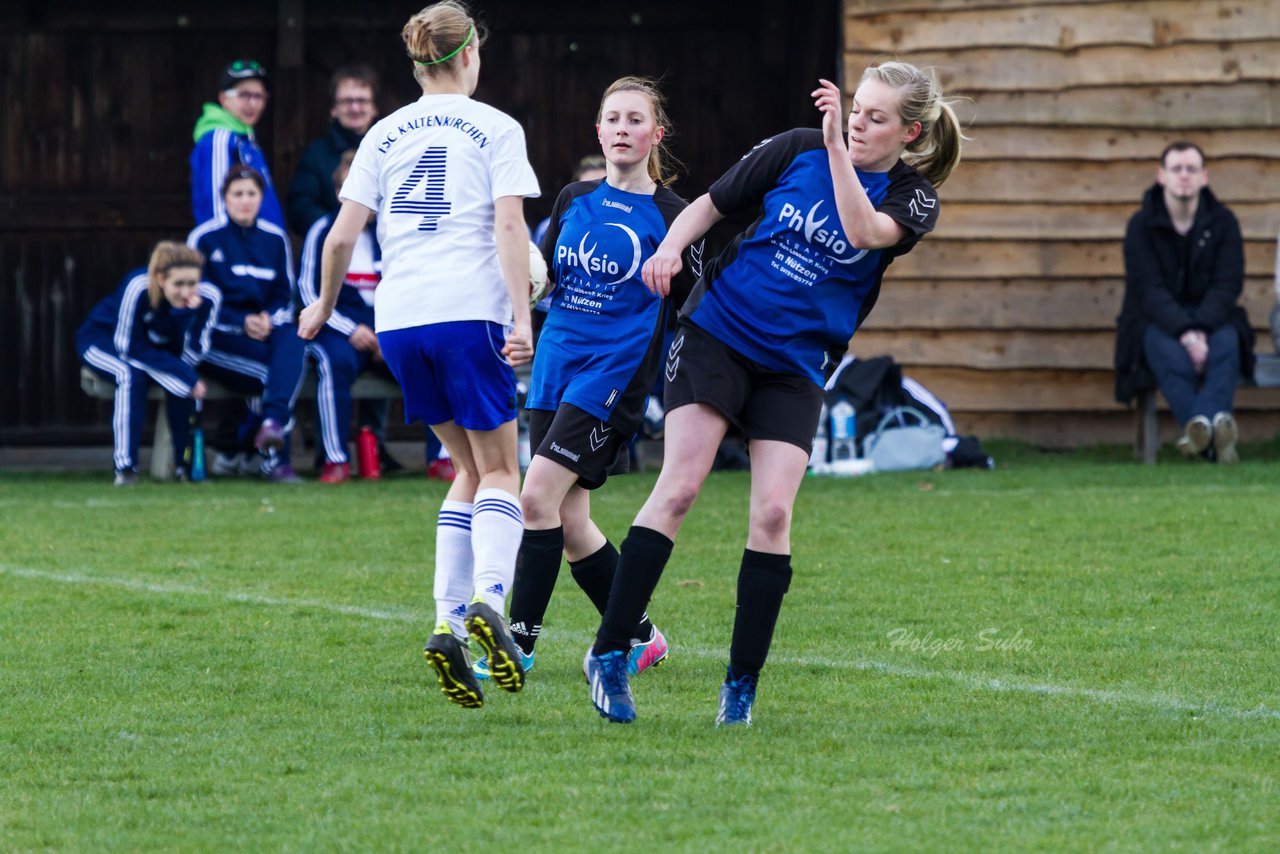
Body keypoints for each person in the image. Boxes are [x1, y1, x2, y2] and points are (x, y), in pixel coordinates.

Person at [582, 63, 962, 726]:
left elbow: (863, 232)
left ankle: (741, 687)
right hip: (718, 336)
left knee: (774, 518)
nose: (856, 122)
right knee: (678, 489)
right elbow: (710, 206)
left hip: (794, 366)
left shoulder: (914, 197)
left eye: (875, 117)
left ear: (911, 131)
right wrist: (671, 248)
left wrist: (840, 152)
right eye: (856, 109)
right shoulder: (794, 147)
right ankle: (611, 654)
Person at [298, 0, 540, 709]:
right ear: (469, 55)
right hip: (468, 311)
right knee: (501, 469)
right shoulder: (496, 127)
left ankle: (445, 624)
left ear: (417, 62)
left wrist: (321, 304)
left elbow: (342, 236)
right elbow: (507, 224)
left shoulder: (382, 131)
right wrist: (520, 318)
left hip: (400, 318)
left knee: (464, 468)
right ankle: (490, 602)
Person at [471, 77, 701, 683]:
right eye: (612, 119)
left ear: (657, 134)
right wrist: (522, 320)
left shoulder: (675, 217)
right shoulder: (574, 198)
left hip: (611, 379)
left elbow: (699, 309)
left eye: (634, 120)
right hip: (554, 367)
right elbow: (543, 278)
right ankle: (642, 636)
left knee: (534, 499)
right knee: (571, 523)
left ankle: (517, 645)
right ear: (598, 131)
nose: (622, 130)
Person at [1117, 142, 1253, 464]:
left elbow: (1227, 284)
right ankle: (1213, 436)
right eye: (1176, 169)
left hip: (1214, 321)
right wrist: (1186, 333)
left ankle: (1199, 432)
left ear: (1204, 177)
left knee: (1228, 345)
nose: (1184, 176)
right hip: (1157, 322)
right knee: (1169, 355)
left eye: (1191, 169)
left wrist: (1201, 329)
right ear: (1161, 176)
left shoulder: (1224, 223)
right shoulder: (1141, 226)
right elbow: (1148, 290)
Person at [189, 166, 306, 482]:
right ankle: (272, 461)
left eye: (251, 194)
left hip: (267, 331)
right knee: (273, 375)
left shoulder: (275, 239)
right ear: (225, 198)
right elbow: (194, 300)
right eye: (237, 194)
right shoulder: (204, 238)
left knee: (295, 339)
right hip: (218, 338)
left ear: (261, 198)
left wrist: (268, 319)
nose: (244, 201)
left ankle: (269, 427)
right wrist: (241, 322)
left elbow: (285, 295)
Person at [76, 242, 219, 485]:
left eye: (192, 284)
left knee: (183, 386)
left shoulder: (207, 298)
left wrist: (185, 316)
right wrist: (184, 372)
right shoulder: (137, 287)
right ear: (161, 279)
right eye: (179, 284)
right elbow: (127, 347)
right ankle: (126, 468)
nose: (187, 292)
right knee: (129, 376)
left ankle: (181, 466)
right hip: (102, 341)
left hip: (148, 351)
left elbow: (193, 352)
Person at [297, 151, 385, 482]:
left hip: (385, 329)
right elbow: (308, 292)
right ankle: (335, 459)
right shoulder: (322, 230)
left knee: (426, 357)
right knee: (334, 364)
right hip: (339, 330)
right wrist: (351, 329)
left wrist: (386, 333)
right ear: (341, 191)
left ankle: (441, 458)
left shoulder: (389, 232)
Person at [189, 59, 285, 230]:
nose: (253, 104)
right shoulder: (219, 139)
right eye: (244, 95)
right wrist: (227, 250)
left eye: (259, 96)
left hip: (261, 247)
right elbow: (215, 203)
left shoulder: (245, 138)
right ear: (223, 98)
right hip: (238, 253)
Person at [287, 64, 380, 237]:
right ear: (333, 109)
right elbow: (300, 206)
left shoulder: (387, 152)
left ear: (373, 108)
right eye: (347, 101)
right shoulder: (315, 154)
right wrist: (337, 231)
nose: (355, 108)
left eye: (362, 101)